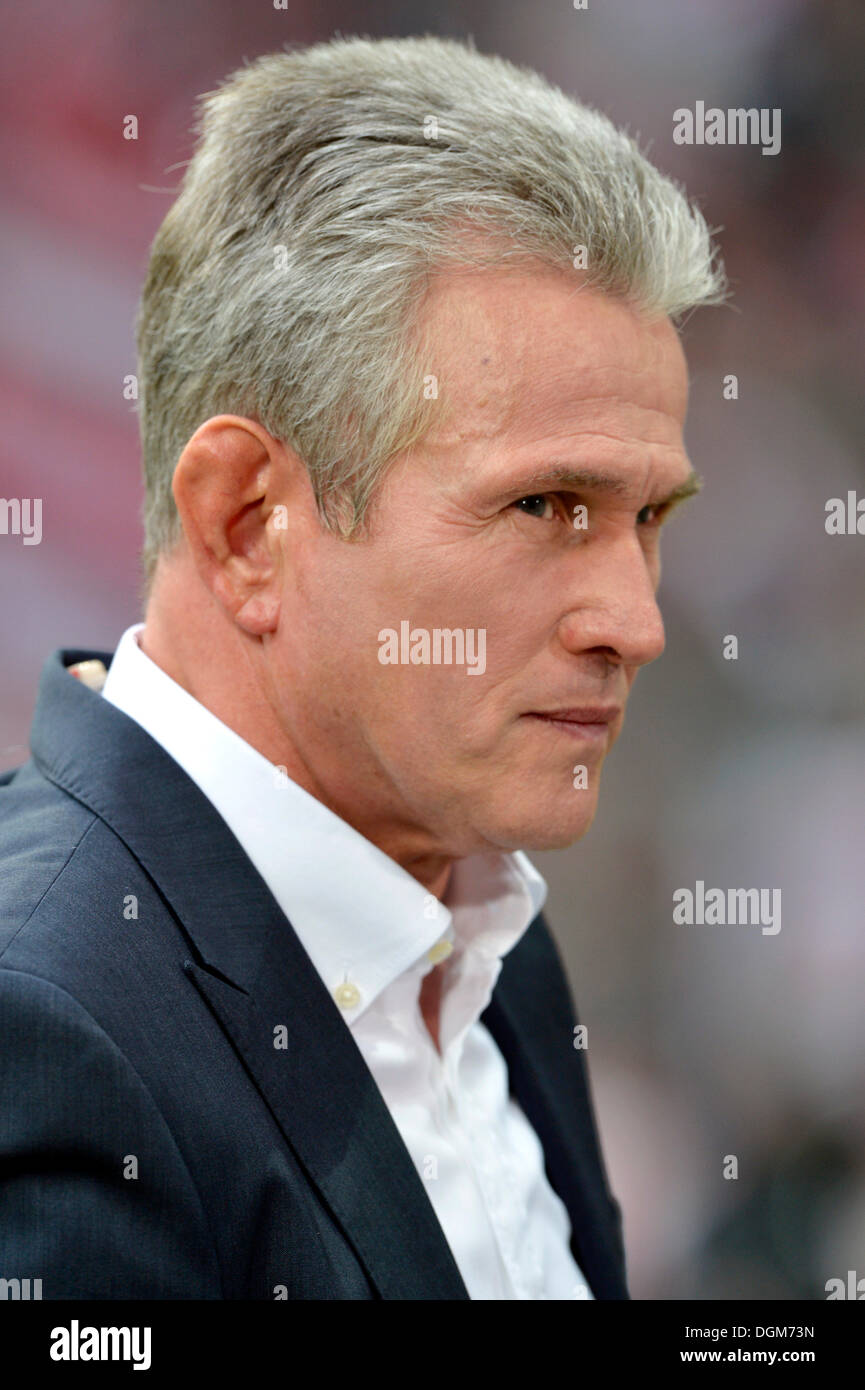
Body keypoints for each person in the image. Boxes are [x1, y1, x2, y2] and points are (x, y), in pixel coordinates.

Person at [0, 33, 725, 1300]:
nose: (635, 620)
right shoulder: (46, 1026)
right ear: (246, 523)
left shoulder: (482, 926)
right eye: (546, 505)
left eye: (648, 520)